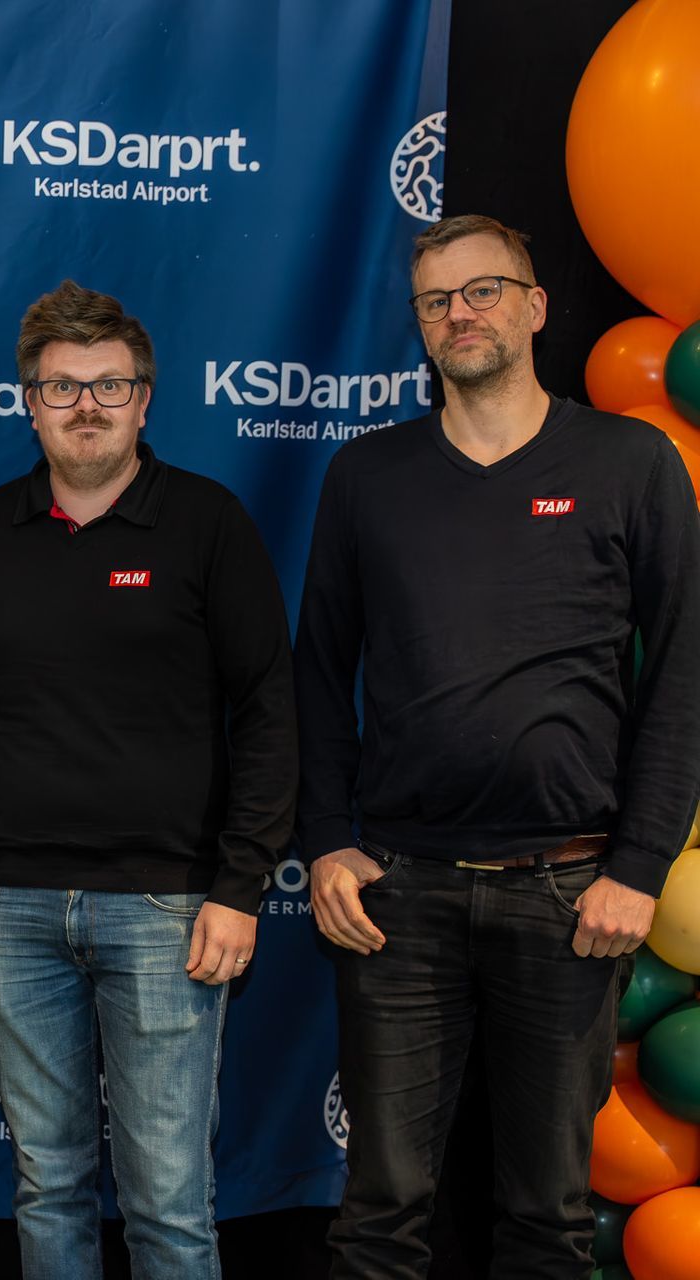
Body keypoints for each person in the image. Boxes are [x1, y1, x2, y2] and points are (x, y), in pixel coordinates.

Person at [297, 213, 700, 1277]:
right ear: (420, 325)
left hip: (570, 897)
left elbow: (683, 674)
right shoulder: (366, 475)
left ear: (535, 306)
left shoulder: (630, 461)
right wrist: (327, 840)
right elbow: (317, 673)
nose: (460, 313)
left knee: (547, 1216)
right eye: (437, 299)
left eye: (484, 290)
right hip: (398, 898)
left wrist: (639, 866)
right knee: (379, 1214)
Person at [0, 281, 297, 1278]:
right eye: (62, 386)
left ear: (145, 400)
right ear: (29, 402)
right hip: (10, 908)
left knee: (168, 1202)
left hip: (167, 910)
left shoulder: (208, 523)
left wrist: (240, 886)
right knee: (47, 1187)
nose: (86, 405)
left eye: (109, 385)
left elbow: (269, 709)